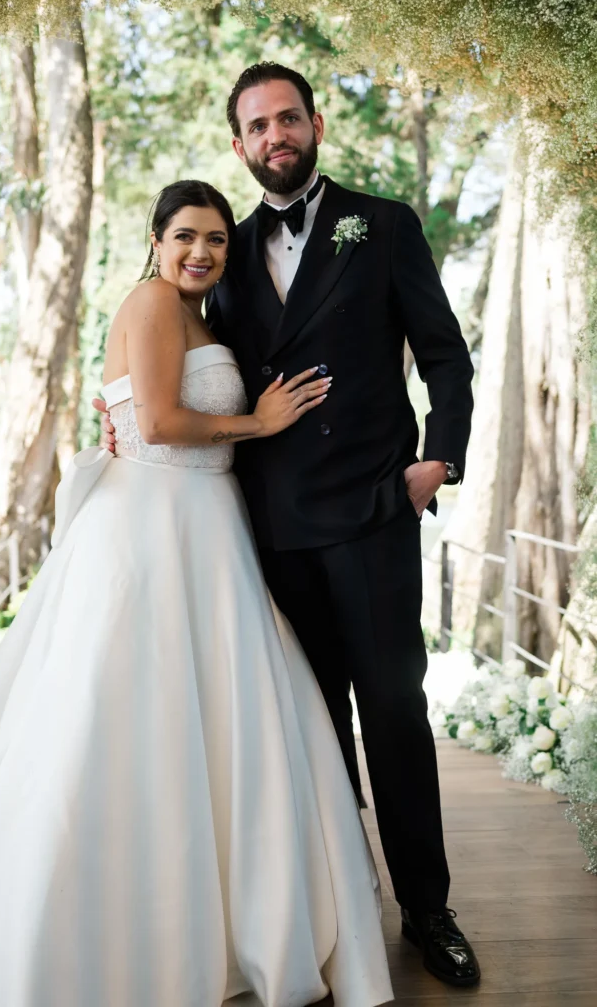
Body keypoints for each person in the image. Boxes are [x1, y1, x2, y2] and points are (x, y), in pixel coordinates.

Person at [0, 180, 393, 1007]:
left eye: (214, 239)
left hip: (211, 529)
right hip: (149, 528)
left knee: (222, 715)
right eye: (185, 237)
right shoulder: (148, 300)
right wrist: (261, 423)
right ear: (156, 239)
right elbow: (165, 423)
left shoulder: (205, 318)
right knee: (124, 713)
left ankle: (220, 905)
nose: (201, 252)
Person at [98, 63, 480, 988]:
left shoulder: (382, 224)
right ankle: (337, 895)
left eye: (287, 119)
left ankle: (429, 909)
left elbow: (445, 358)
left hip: (375, 516)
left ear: (314, 124)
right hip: (267, 532)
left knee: (393, 713)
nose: (275, 135)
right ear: (239, 144)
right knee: (307, 729)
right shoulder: (220, 258)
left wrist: (440, 462)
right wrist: (113, 409)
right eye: (257, 126)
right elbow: (170, 356)